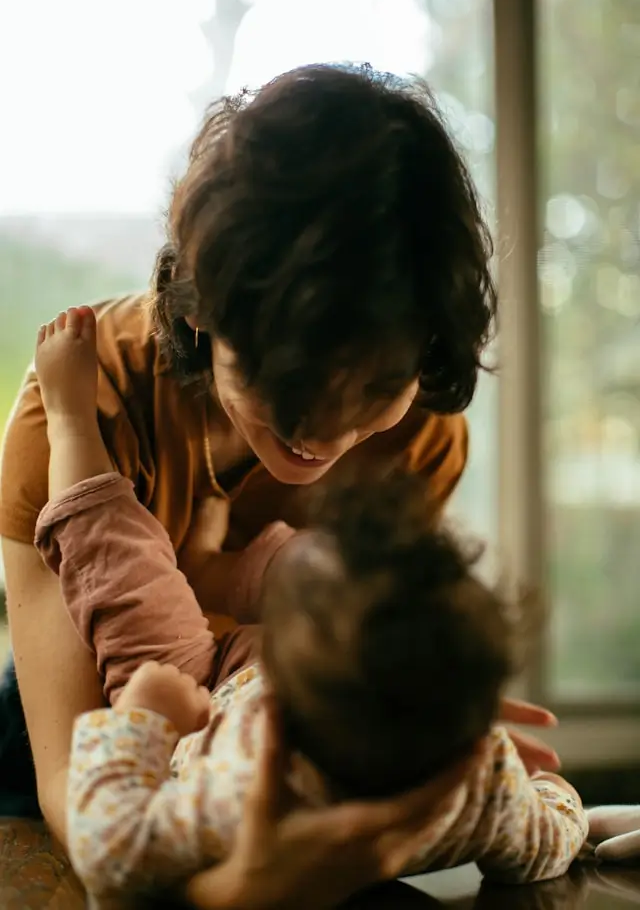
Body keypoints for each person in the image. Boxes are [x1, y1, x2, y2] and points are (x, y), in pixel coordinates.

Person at [0, 64, 559, 901]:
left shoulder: (419, 430)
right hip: (95, 752)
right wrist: (235, 892)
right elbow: (86, 823)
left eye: (373, 387)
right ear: (198, 309)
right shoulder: (81, 413)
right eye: (283, 387)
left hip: (285, 737)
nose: (324, 435)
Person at [33, 306, 588, 902]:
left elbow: (112, 852)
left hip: (204, 688)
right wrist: (545, 790)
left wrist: (143, 720)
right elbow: (554, 832)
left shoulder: (235, 784)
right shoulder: (483, 787)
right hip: (328, 670)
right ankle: (207, 565)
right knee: (329, 578)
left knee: (120, 571)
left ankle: (72, 427)